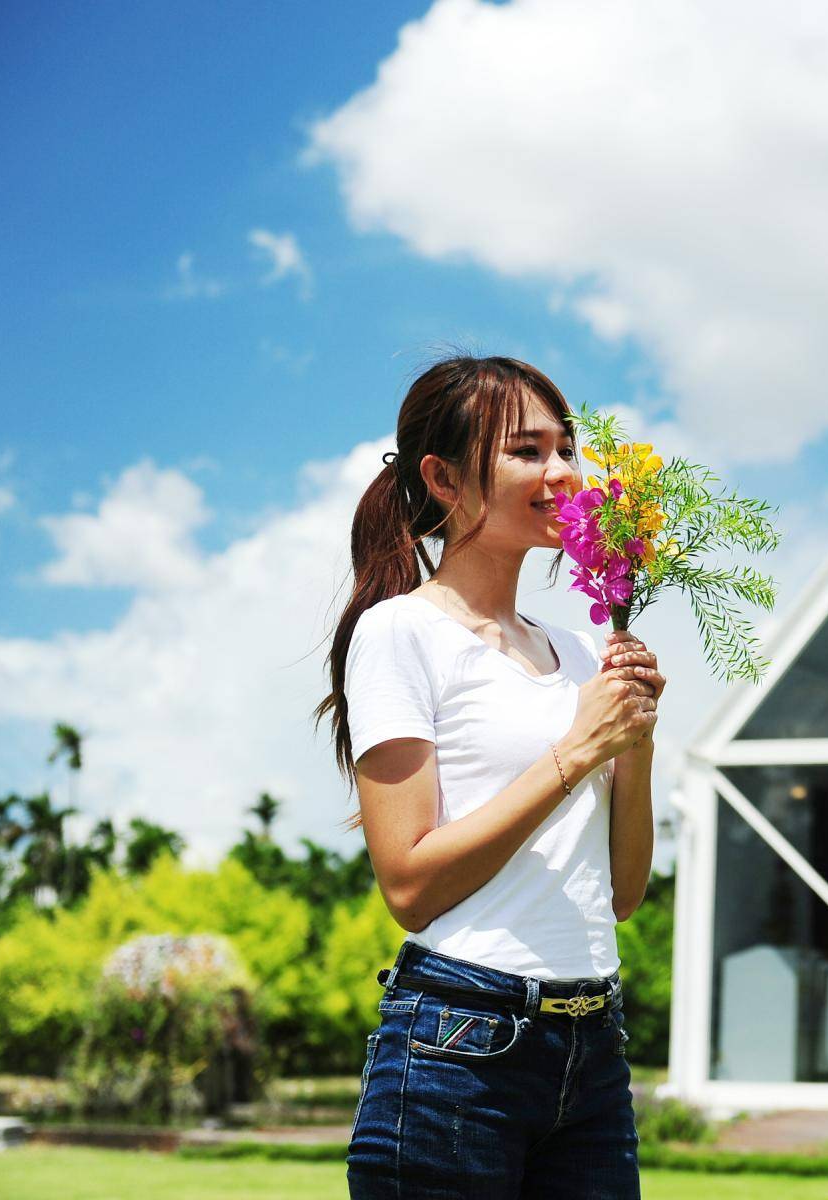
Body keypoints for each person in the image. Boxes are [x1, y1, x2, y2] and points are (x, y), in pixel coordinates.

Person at [313, 354, 665, 1198]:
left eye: (567, 447)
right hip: (459, 1047)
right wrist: (578, 751)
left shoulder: (577, 650)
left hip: (592, 1045)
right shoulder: (400, 634)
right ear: (443, 477)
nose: (563, 472)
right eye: (527, 451)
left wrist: (635, 745)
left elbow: (619, 894)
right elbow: (409, 882)